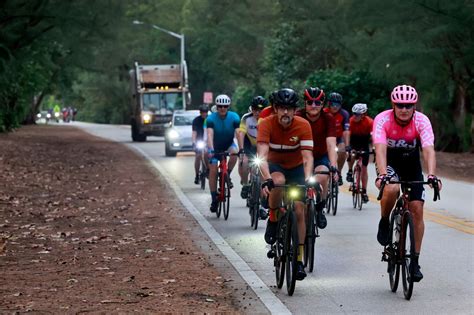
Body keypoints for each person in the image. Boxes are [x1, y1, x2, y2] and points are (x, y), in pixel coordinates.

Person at [373, 84, 442, 282]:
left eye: (409, 105)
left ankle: (415, 261)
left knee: (417, 209)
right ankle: (385, 221)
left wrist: (431, 175)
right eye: (400, 105)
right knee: (392, 187)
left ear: (414, 106)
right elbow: (380, 150)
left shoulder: (422, 121)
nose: (404, 109)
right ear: (393, 105)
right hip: (390, 163)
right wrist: (383, 174)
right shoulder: (382, 119)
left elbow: (428, 150)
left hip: (411, 164)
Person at [257, 88, 314, 280]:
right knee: (278, 181)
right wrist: (266, 178)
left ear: (295, 110)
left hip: (296, 167)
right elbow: (261, 156)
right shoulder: (266, 123)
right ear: (275, 108)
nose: (286, 113)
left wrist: (307, 180)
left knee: (299, 209)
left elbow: (307, 157)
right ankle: (273, 219)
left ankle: (298, 259)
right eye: (281, 108)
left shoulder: (303, 125)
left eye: (289, 109)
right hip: (275, 165)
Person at [297, 87, 339, 229]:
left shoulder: (328, 118)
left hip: (320, 156)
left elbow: (331, 143)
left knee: (322, 176)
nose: (313, 105)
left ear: (322, 104)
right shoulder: (298, 116)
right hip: (300, 157)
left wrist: (334, 166)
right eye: (310, 102)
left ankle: (320, 208)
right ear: (305, 103)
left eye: (317, 102)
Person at [206, 94, 241, 213]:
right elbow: (210, 135)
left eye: (225, 106)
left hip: (228, 145)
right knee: (213, 171)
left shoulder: (234, 117)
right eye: (220, 106)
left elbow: (238, 133)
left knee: (235, 153)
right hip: (214, 147)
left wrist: (241, 148)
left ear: (228, 106)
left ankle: (227, 175)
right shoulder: (211, 118)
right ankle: (214, 199)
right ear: (217, 106)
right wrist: (211, 149)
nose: (222, 108)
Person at [238, 96, 268, 207]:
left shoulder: (268, 118)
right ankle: (245, 184)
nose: (257, 112)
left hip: (263, 146)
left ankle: (261, 201)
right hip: (249, 145)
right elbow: (241, 134)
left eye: (260, 110)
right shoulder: (246, 118)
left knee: (262, 173)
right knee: (244, 162)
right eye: (255, 109)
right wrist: (241, 150)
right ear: (252, 109)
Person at [346, 103, 373, 203]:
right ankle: (349, 171)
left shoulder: (369, 122)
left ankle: (364, 192)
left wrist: (374, 148)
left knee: (364, 169)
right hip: (354, 141)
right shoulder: (351, 121)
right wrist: (348, 146)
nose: (355, 116)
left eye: (357, 114)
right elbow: (347, 134)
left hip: (364, 142)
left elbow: (373, 136)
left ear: (363, 115)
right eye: (354, 114)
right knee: (352, 154)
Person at [324, 92, 350, 185]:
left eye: (337, 104)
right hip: (325, 138)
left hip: (338, 138)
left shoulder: (344, 114)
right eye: (333, 104)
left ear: (341, 105)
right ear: (329, 104)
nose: (335, 107)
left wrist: (347, 146)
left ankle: (338, 172)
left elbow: (346, 131)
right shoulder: (323, 112)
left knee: (342, 151)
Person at [192, 104, 209, 185]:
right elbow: (194, 133)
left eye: (205, 112)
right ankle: (196, 175)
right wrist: (194, 142)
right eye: (202, 112)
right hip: (199, 140)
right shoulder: (196, 120)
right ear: (200, 112)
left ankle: (208, 169)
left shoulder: (210, 119)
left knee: (209, 155)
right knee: (198, 156)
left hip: (208, 141)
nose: (204, 114)